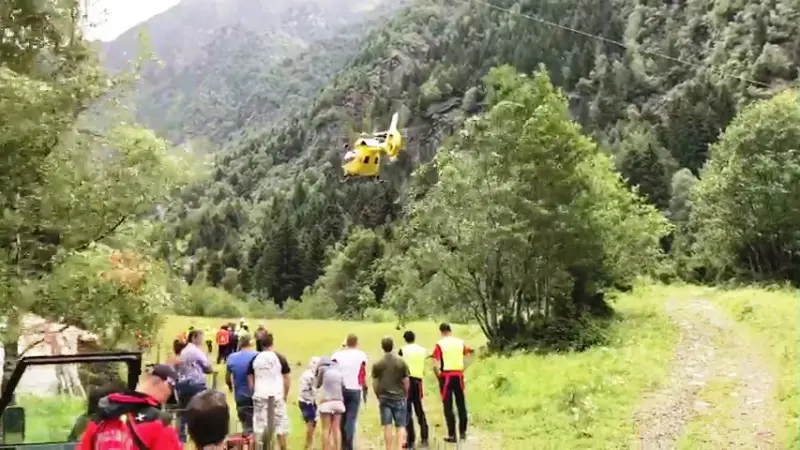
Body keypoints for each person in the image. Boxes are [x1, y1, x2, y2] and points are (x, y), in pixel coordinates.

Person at [78, 365, 182, 450]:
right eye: (169, 395)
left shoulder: (99, 419)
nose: (164, 402)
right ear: (165, 385)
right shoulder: (159, 422)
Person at [248, 332, 291, 450]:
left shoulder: (255, 358)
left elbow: (250, 377)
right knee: (280, 425)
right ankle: (283, 448)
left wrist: (254, 390)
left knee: (259, 426)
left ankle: (260, 447)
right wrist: (285, 395)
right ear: (272, 343)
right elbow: (287, 378)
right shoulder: (280, 357)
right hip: (277, 395)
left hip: (260, 394)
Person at [432, 323, 473, 443]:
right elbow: (468, 354)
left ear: (442, 332)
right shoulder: (460, 342)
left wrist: (438, 374)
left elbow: (435, 362)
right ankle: (463, 432)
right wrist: (464, 367)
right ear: (450, 330)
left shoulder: (440, 344)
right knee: (461, 403)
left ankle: (452, 434)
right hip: (458, 375)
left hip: (446, 376)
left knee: (448, 405)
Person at [372, 336, 409, 450]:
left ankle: (388, 448)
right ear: (393, 346)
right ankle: (399, 447)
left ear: (382, 347)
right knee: (400, 425)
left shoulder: (378, 364)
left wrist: (377, 394)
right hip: (399, 396)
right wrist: (405, 393)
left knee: (387, 425)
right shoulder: (401, 362)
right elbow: (406, 380)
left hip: (384, 397)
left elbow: (375, 382)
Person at [177, 329, 214, 443]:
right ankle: (201, 436)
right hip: (196, 384)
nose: (202, 340)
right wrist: (211, 369)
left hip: (183, 384)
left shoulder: (184, 351)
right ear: (193, 338)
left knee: (183, 412)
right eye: (200, 338)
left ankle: (181, 439)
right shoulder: (196, 351)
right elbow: (207, 367)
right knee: (203, 410)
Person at [332, 334, 368, 450]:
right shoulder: (361, 355)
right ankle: (348, 445)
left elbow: (332, 363)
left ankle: (341, 443)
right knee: (351, 418)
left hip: (340, 388)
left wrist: (341, 347)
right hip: (355, 388)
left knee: (341, 417)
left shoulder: (338, 355)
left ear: (346, 343)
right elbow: (362, 373)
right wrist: (364, 387)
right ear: (357, 343)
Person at [399, 330, 429, 448]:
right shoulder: (422, 350)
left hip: (406, 381)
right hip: (418, 381)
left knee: (407, 411)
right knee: (419, 409)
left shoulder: (402, 350)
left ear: (405, 339)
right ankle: (424, 436)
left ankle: (410, 439)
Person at [226, 335, 258, 436]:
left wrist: (231, 387)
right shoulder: (258, 355)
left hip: (240, 395)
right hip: (256, 394)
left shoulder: (231, 357)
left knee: (245, 424)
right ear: (251, 343)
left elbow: (227, 378)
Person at [316, 356, 345, 450]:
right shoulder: (339, 371)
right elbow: (343, 386)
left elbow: (317, 384)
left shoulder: (323, 370)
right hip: (338, 402)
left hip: (326, 402)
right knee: (336, 428)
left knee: (326, 429)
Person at [298, 356, 320, 450]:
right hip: (307, 402)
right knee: (310, 424)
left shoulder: (307, 373)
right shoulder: (310, 376)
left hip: (307, 401)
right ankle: (308, 446)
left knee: (313, 423)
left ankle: (310, 444)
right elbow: (313, 389)